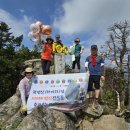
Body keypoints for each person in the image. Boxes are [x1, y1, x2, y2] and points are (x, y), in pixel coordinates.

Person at [85, 45, 105, 109]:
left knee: (97, 87)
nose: (93, 51)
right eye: (92, 49)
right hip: (90, 75)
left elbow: (102, 67)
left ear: (97, 50)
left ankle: (96, 101)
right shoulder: (88, 57)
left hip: (97, 74)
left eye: (95, 49)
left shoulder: (100, 58)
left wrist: (102, 75)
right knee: (90, 88)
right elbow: (86, 65)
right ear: (91, 50)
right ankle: (90, 101)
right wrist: (87, 70)